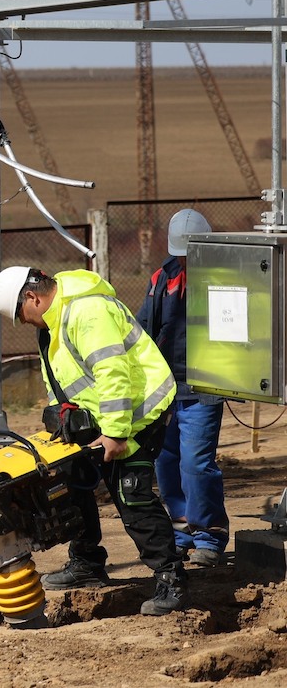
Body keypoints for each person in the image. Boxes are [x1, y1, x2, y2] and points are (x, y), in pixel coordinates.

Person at [0, 265, 187, 616]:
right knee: (72, 482)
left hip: (139, 412)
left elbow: (114, 374)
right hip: (102, 417)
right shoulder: (52, 325)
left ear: (32, 297)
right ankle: (87, 562)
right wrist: (62, 420)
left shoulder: (87, 311)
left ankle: (171, 577)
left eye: (22, 316)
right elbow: (57, 380)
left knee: (131, 494)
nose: (25, 323)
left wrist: (114, 433)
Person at [137, 208, 229, 568]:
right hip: (165, 389)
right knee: (167, 463)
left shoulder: (225, 278)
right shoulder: (162, 278)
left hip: (204, 388)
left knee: (196, 465)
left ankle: (209, 536)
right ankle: (181, 533)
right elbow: (144, 327)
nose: (187, 259)